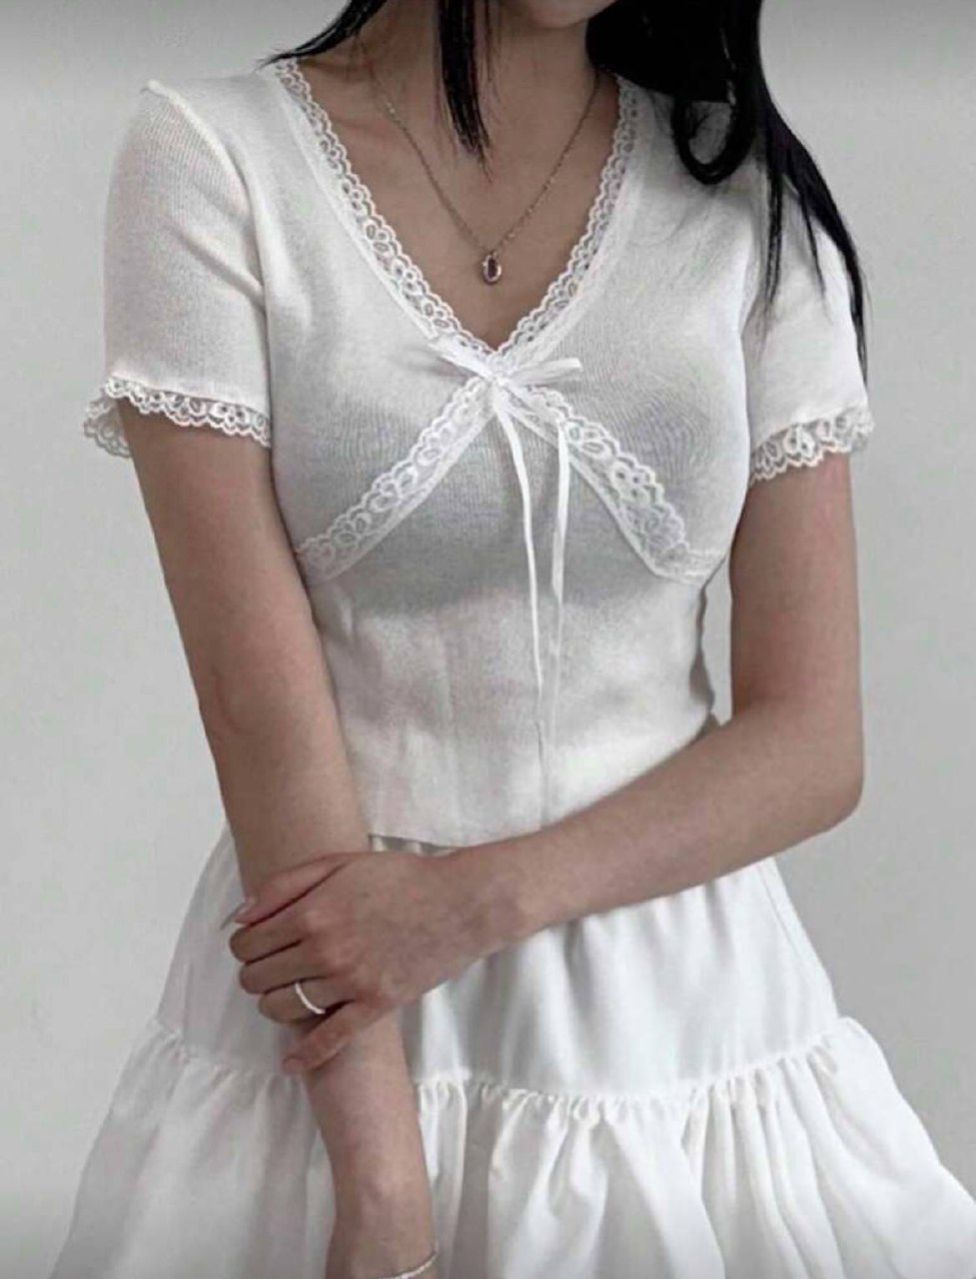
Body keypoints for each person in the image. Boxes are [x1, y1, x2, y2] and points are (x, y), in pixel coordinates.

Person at [52, 1, 976, 1277]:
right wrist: (381, 1187)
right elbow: (253, 702)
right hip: (335, 1017)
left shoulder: (747, 209)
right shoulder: (215, 163)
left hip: (689, 1028)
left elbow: (813, 743)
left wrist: (465, 905)